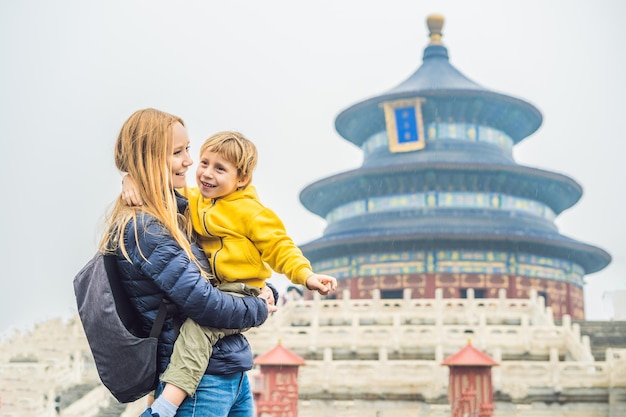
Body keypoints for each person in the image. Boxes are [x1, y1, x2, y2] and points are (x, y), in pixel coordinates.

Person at [122, 130, 338, 412]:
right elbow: (161, 191)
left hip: (240, 288)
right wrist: (130, 180)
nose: (207, 174)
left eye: (220, 169)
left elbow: (280, 247)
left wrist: (305, 276)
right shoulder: (197, 200)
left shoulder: (252, 212)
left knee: (197, 330)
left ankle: (164, 405)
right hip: (218, 292)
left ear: (242, 179)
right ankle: (157, 397)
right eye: (204, 163)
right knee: (182, 332)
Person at [102, 108, 276, 417]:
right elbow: (205, 304)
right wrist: (259, 307)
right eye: (178, 152)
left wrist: (260, 287)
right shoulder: (148, 229)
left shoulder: (182, 216)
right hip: (199, 384)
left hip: (228, 375)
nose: (189, 161)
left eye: (187, 149)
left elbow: (226, 269)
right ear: (150, 158)